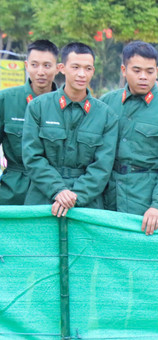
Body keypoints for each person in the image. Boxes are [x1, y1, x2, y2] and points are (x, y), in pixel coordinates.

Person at [101, 41, 158, 234]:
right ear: (124, 70)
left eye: (150, 71)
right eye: (137, 70)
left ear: (157, 71)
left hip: (146, 200)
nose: (144, 77)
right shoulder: (107, 103)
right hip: (109, 198)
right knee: (107, 258)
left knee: (146, 260)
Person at [22, 42, 118, 215]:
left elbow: (103, 165)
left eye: (88, 68)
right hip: (43, 196)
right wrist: (58, 190)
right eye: (75, 67)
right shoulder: (38, 107)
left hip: (86, 202)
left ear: (93, 71)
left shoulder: (106, 115)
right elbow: (32, 156)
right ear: (62, 68)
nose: (82, 74)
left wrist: (76, 196)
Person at [0, 40, 59, 205]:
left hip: (52, 194)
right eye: (35, 65)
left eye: (47, 65)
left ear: (57, 67)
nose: (40, 72)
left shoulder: (64, 104)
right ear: (26, 65)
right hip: (13, 192)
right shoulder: (6, 100)